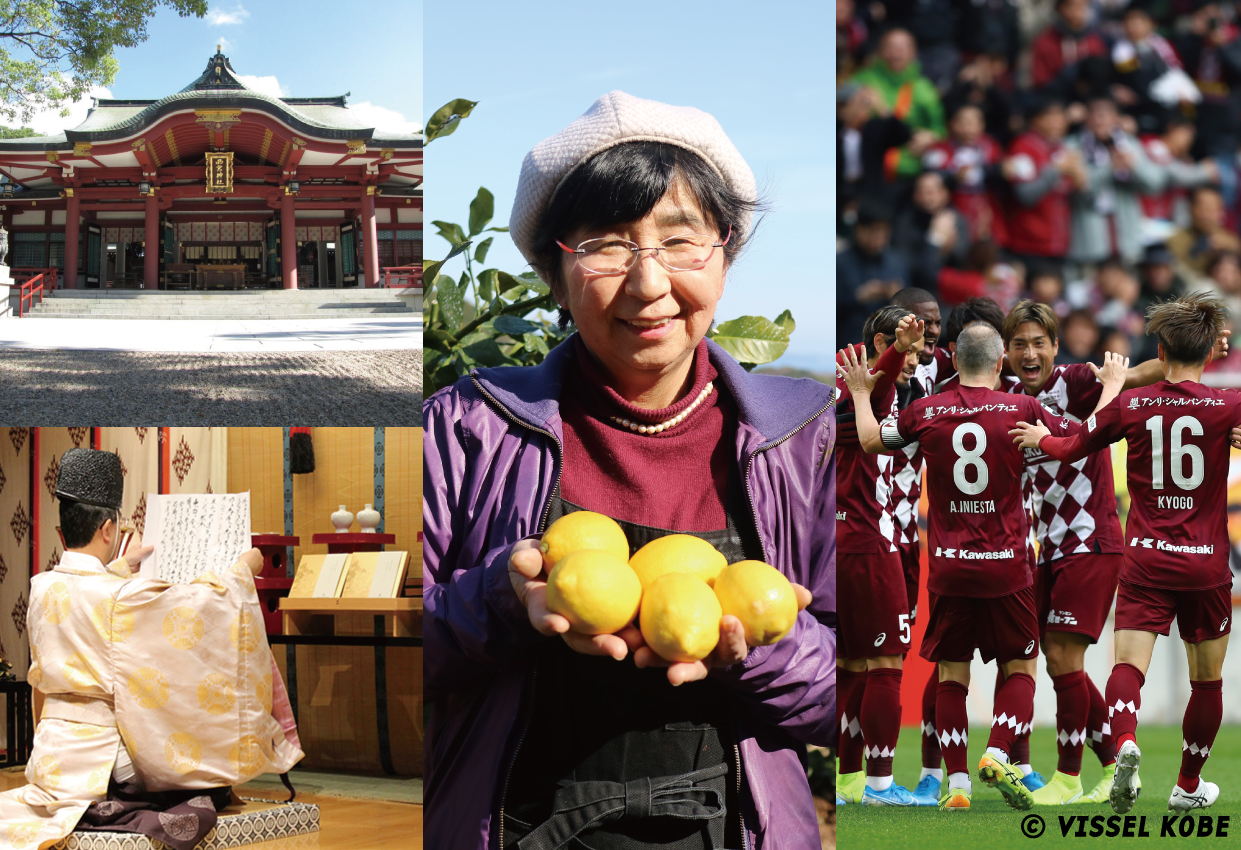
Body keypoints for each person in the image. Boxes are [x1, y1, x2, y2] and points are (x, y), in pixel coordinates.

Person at [423, 91, 835, 849]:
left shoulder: (808, 437)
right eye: (607, 246)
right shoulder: (463, 427)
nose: (649, 284)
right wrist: (502, 601)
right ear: (555, 270)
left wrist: (764, 649)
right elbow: (404, 650)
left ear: (725, 251)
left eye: (681, 242)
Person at [842, 324, 1127, 812]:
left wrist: (860, 394)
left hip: (949, 567)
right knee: (1021, 668)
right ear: (1000, 364)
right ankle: (998, 748)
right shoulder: (1022, 410)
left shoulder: (925, 412)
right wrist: (1115, 388)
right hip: (1007, 566)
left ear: (956, 362)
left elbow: (869, 441)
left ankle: (956, 784)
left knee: (953, 675)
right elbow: (1085, 438)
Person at [0, 448, 302, 850]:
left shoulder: (41, 587)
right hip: (105, 761)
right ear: (108, 529)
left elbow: (88, 594)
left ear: (61, 532)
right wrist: (241, 571)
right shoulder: (121, 596)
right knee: (200, 772)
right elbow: (200, 604)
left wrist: (124, 565)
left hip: (52, 756)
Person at [1012, 292, 1241, 813]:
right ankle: (1187, 786)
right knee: (1207, 681)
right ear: (1209, 355)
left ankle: (1125, 743)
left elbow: (1072, 445)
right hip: (1206, 563)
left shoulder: (1131, 404)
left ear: (1158, 349)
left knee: (1127, 668)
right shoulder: (1229, 406)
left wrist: (1039, 436)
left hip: (1144, 559)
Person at [1000, 301, 1170, 806]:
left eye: (1038, 343)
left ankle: (1068, 779)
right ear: (1006, 353)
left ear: (1055, 346)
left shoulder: (1075, 381)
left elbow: (1148, 372)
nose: (1029, 353)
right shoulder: (1007, 397)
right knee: (1058, 664)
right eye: (1019, 345)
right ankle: (1118, 762)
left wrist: (1190, 351)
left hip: (1091, 538)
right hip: (1046, 547)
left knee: (1060, 655)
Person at [835, 308, 925, 807]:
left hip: (842, 542)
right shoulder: (864, 391)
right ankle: (880, 785)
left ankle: (847, 780)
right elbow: (879, 383)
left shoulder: (846, 392)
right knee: (887, 665)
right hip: (871, 543)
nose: (908, 356)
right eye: (897, 346)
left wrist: (897, 352)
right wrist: (897, 351)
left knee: (850, 666)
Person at [851, 28, 947, 181]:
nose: (897, 53)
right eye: (891, 47)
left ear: (913, 52)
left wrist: (932, 138)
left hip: (912, 173)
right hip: (867, 171)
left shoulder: (924, 88)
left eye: (903, 48)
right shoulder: (862, 81)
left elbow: (941, 130)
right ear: (880, 51)